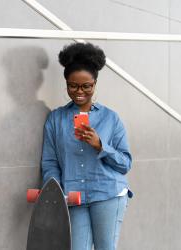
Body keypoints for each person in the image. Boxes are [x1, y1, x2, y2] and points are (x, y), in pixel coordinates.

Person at [41, 42, 133, 250]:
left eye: (86, 86)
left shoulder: (111, 118)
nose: (79, 91)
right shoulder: (55, 119)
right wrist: (55, 191)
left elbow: (125, 163)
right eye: (73, 85)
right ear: (66, 84)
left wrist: (100, 145)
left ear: (94, 84)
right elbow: (50, 161)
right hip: (74, 197)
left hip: (108, 194)